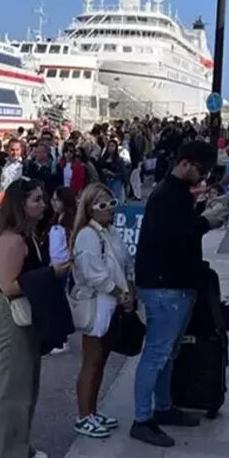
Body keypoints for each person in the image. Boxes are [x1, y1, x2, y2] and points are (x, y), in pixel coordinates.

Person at [131, 141, 229, 448]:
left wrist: (201, 212)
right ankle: (142, 419)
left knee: (168, 353)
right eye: (201, 170)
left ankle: (163, 407)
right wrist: (206, 222)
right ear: (185, 163)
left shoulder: (177, 193)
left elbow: (181, 228)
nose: (203, 177)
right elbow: (173, 237)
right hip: (164, 287)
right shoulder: (165, 196)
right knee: (156, 354)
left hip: (177, 284)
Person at [0, 179, 58, 458]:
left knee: (26, 387)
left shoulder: (26, 236)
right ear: (21, 204)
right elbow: (9, 286)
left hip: (25, 317)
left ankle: (19, 448)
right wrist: (50, 274)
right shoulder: (12, 240)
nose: (43, 204)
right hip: (12, 317)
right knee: (11, 390)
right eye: (36, 200)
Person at [71, 184, 134, 438]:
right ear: (89, 209)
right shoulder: (87, 235)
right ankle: (83, 416)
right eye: (102, 205)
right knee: (92, 361)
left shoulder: (110, 232)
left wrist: (128, 291)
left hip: (111, 305)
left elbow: (125, 263)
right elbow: (93, 274)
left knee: (101, 361)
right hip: (97, 304)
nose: (109, 209)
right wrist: (121, 293)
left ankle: (92, 412)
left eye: (111, 203)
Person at [48, 186, 77, 356]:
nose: (53, 203)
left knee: (60, 303)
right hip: (54, 265)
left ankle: (62, 339)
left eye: (56, 200)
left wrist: (70, 263)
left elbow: (72, 246)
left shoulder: (69, 222)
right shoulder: (56, 219)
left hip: (64, 267)